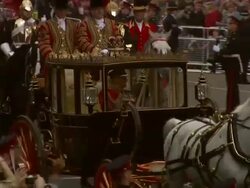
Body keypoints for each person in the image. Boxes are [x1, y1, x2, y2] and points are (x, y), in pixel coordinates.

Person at [219, 15, 243, 113]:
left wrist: (222, 52)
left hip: (233, 65)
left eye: (232, 24)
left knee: (232, 88)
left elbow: (232, 50)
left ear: (236, 25)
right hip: (229, 65)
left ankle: (230, 109)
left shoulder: (237, 37)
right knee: (232, 87)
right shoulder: (231, 35)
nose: (230, 25)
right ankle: (235, 107)